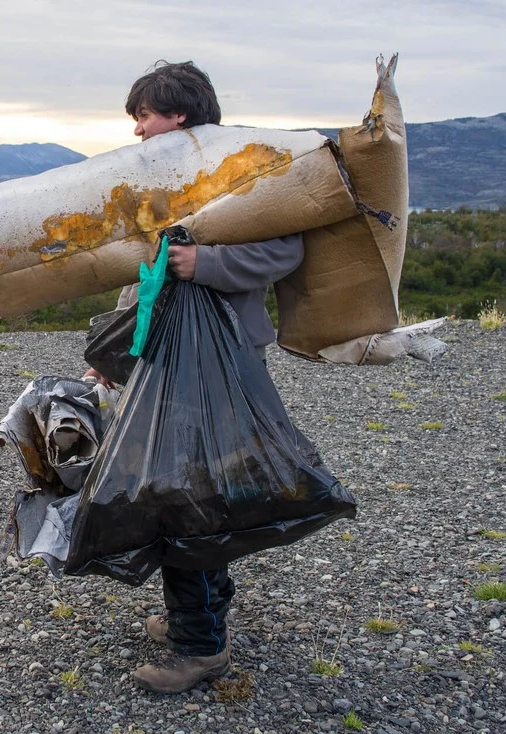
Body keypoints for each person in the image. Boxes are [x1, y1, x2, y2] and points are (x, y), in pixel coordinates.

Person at [81, 60, 305, 694]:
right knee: (187, 493)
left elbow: (286, 250)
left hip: (222, 360)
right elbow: (148, 276)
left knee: (187, 501)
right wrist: (115, 350)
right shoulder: (164, 182)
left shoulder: (238, 177)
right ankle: (201, 618)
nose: (138, 130)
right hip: (168, 361)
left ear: (179, 113)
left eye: (144, 116)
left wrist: (202, 261)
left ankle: (200, 647)